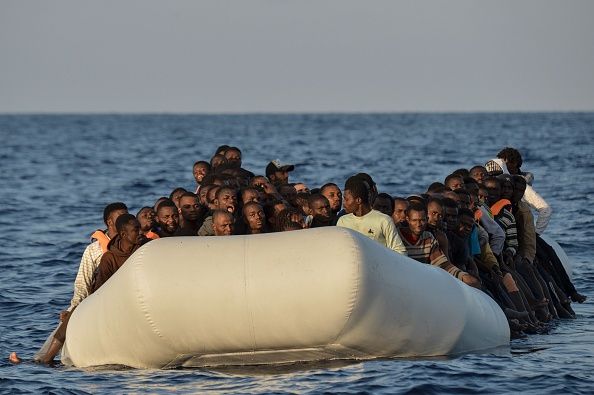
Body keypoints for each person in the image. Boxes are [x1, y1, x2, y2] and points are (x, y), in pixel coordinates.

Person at [34, 214, 144, 365]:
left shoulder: (145, 248)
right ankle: (48, 357)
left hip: (139, 298)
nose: (140, 233)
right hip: (108, 300)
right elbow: (100, 289)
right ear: (124, 234)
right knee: (71, 317)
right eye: (136, 230)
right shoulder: (109, 258)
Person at [399, 203, 480, 288]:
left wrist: (463, 277)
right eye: (414, 220)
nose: (419, 224)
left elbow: (442, 264)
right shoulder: (397, 235)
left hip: (423, 283)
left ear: (427, 219)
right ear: (407, 219)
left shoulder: (428, 237)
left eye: (422, 220)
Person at [337, 176, 406, 255]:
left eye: (346, 199)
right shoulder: (342, 221)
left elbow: (400, 251)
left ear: (358, 200)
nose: (344, 204)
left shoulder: (383, 220)